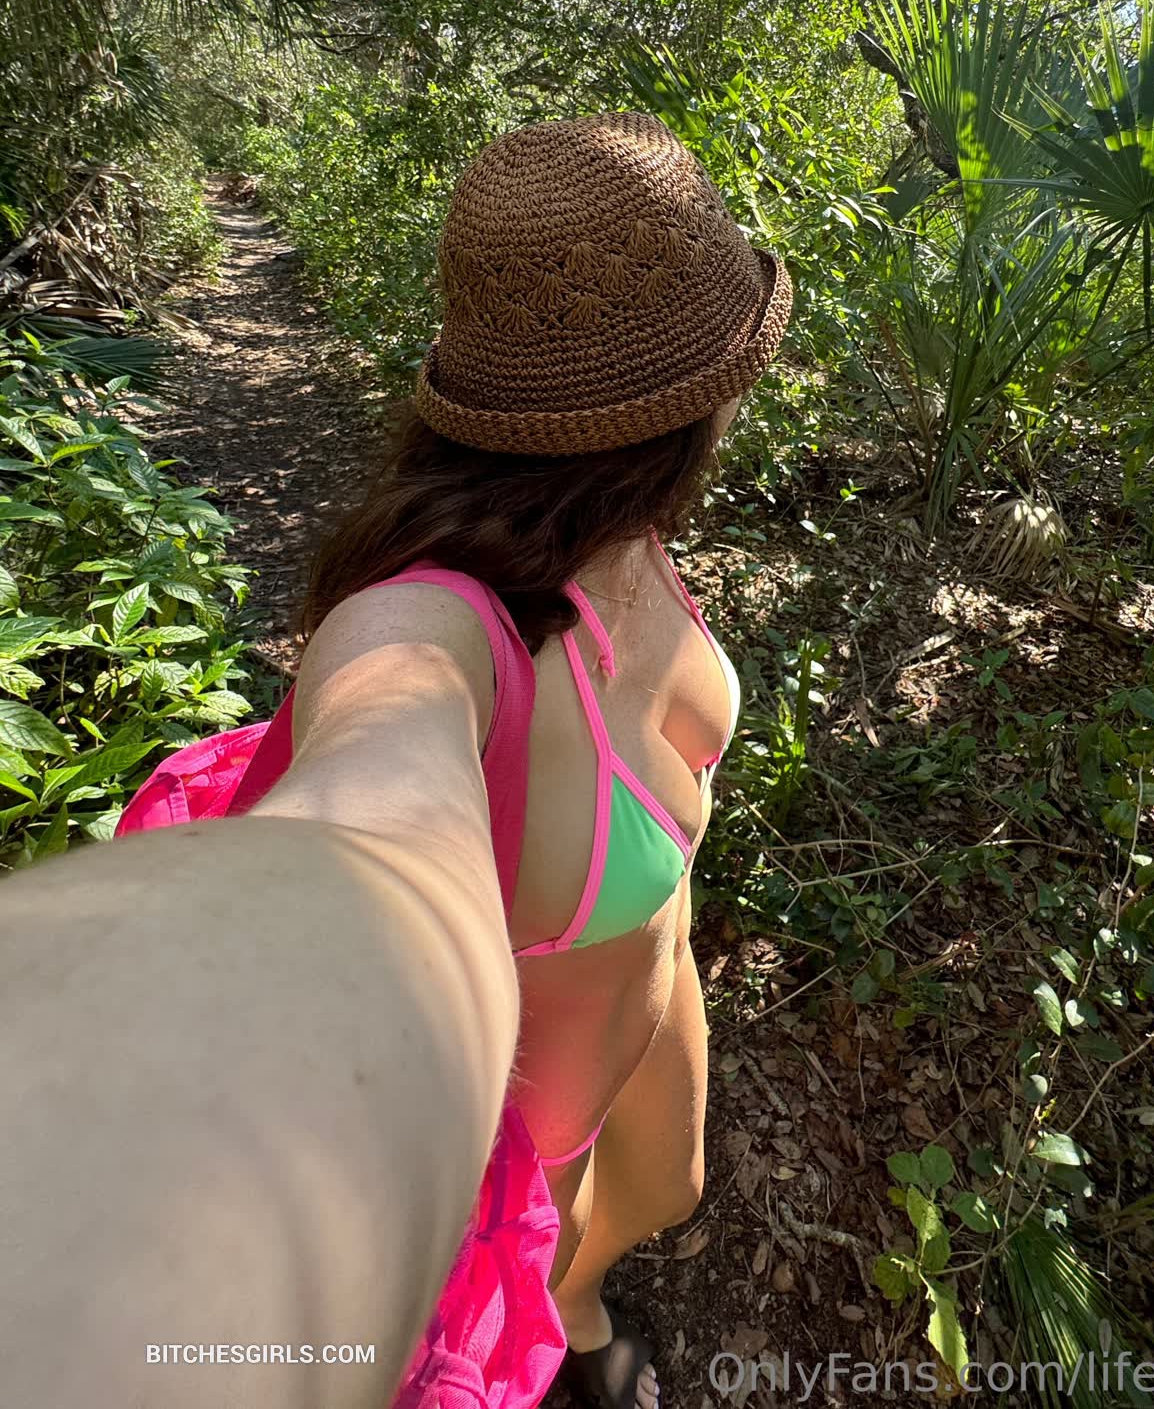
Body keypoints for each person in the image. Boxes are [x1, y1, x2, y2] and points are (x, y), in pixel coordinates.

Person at [0, 111, 792, 1409]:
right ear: (694, 401)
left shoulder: (617, 525)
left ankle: (585, 1300)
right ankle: (573, 1329)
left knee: (672, 1190)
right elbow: (357, 821)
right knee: (559, 1263)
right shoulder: (424, 631)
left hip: (652, 974)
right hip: (541, 1129)